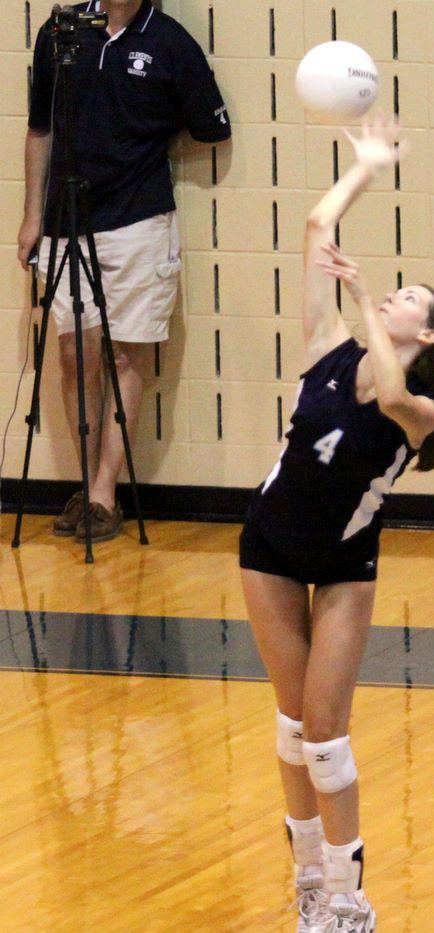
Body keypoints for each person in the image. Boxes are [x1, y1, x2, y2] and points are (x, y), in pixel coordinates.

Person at [239, 115, 434, 933]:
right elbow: (314, 225)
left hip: (342, 568)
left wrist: (364, 290)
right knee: (292, 729)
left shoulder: (423, 412)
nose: (392, 298)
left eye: (408, 299)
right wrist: (363, 169)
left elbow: (395, 391)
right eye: (391, 292)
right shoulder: (325, 349)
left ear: (427, 334)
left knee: (327, 739)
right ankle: (306, 879)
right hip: (267, 547)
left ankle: (348, 904)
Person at [17, 0, 231, 543]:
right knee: (74, 353)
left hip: (138, 219)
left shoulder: (170, 42)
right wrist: (31, 216)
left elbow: (210, 128)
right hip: (66, 219)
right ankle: (85, 479)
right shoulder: (61, 31)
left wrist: (143, 143)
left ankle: (103, 494)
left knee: (123, 356)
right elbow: (40, 130)